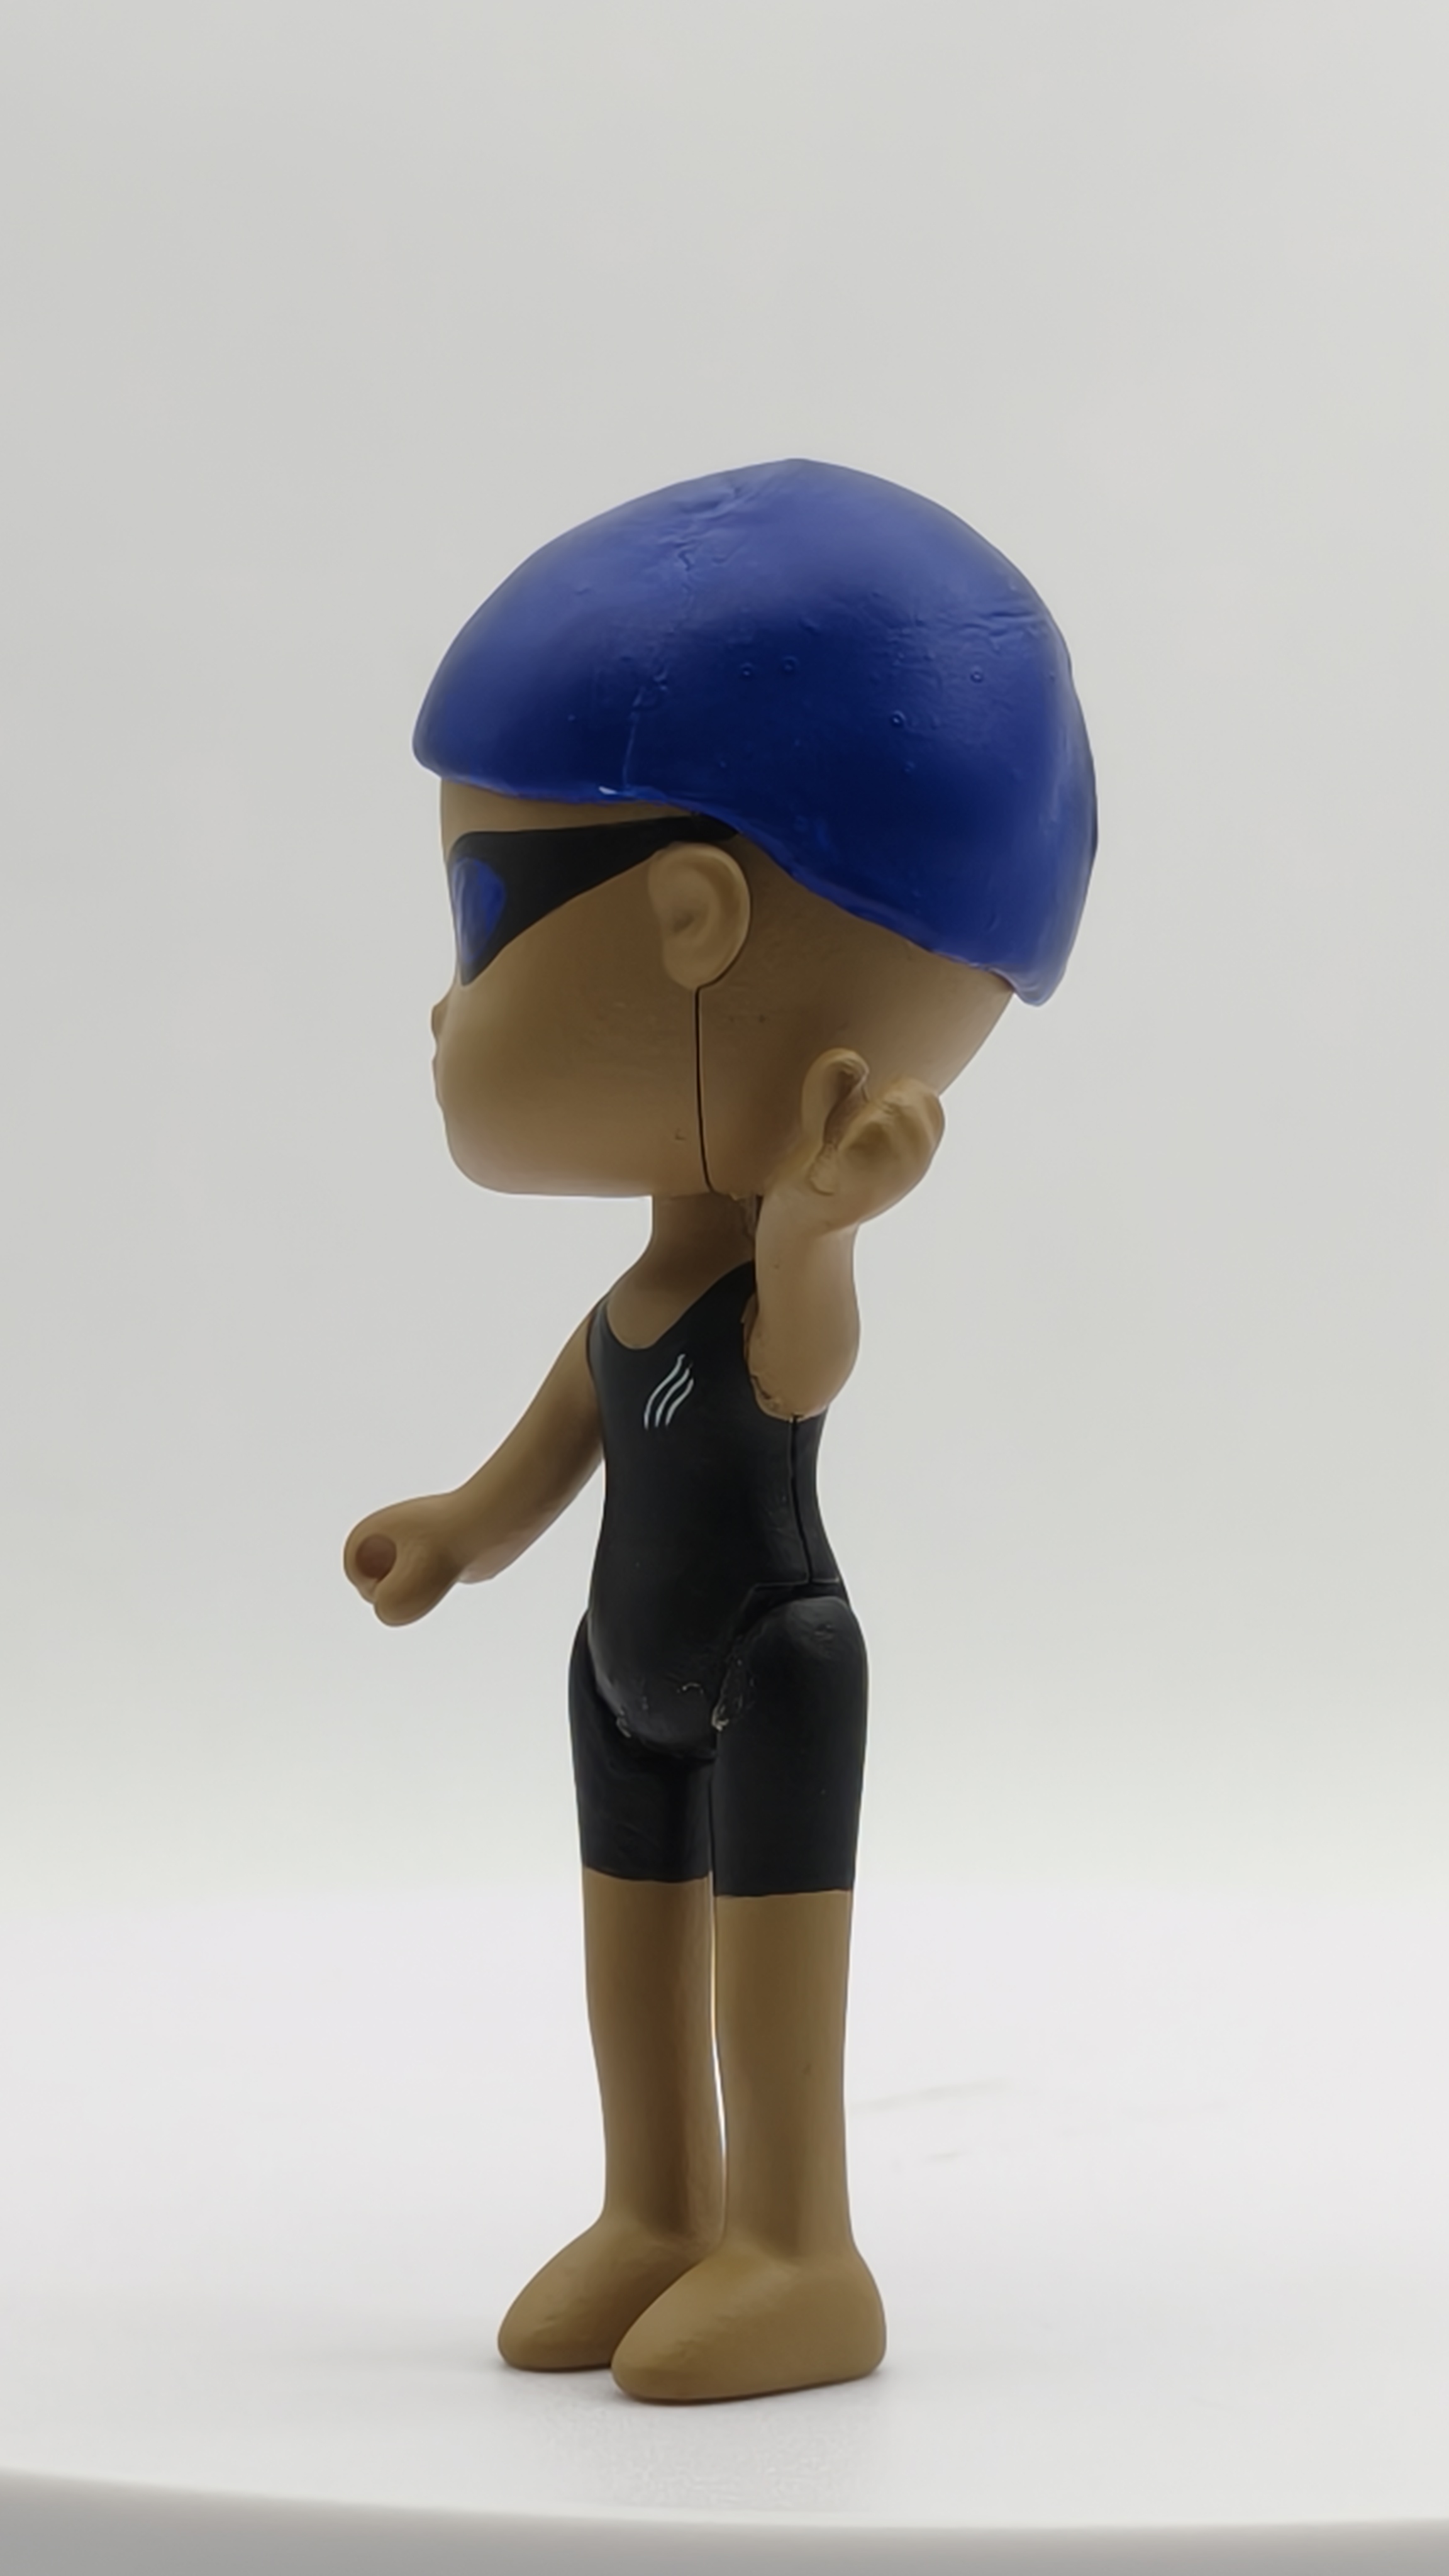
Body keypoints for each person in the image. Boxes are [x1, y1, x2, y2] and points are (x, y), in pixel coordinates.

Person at [343, 458, 1096, 2402]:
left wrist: (819, 1232)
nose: (442, 1009)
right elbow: (553, 1450)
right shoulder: (632, 1304)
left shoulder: (762, 1290)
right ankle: (659, 2211)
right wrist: (454, 1528)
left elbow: (800, 1371)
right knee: (629, 1972)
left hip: (772, 1667)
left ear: (694, 916)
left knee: (765, 1986)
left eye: (483, 917)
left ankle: (799, 2250)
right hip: (620, 1673)